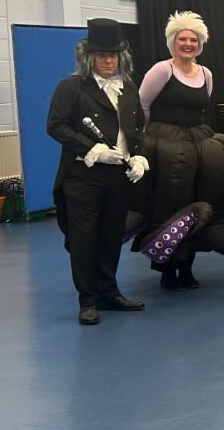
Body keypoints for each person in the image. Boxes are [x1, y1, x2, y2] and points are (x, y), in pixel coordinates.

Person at [46, 18, 149, 325]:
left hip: (117, 175)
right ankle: (87, 299)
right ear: (88, 57)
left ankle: (108, 291)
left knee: (111, 234)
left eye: (113, 55)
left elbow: (136, 129)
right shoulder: (71, 87)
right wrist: (91, 149)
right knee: (84, 238)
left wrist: (138, 157)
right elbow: (55, 126)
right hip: (83, 176)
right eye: (101, 55)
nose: (108, 61)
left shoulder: (128, 89)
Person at [135, 10, 222, 291]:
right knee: (168, 203)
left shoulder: (206, 74)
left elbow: (203, 108)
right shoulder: (162, 70)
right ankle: (166, 269)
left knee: (196, 202)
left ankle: (186, 266)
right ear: (173, 41)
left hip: (196, 142)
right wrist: (146, 141)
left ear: (200, 43)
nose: (188, 44)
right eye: (182, 39)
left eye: (193, 40)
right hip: (165, 146)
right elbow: (143, 104)